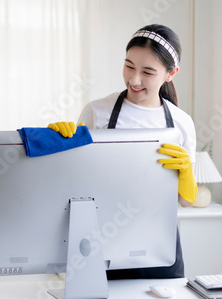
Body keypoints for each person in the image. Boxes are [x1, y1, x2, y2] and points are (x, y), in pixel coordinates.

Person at [48, 23, 197, 279]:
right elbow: (72, 181)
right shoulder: (98, 111)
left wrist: (186, 174)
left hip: (161, 243)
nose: (134, 79)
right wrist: (57, 144)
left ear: (170, 74)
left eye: (148, 72)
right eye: (129, 66)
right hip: (105, 239)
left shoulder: (181, 123)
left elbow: (187, 200)